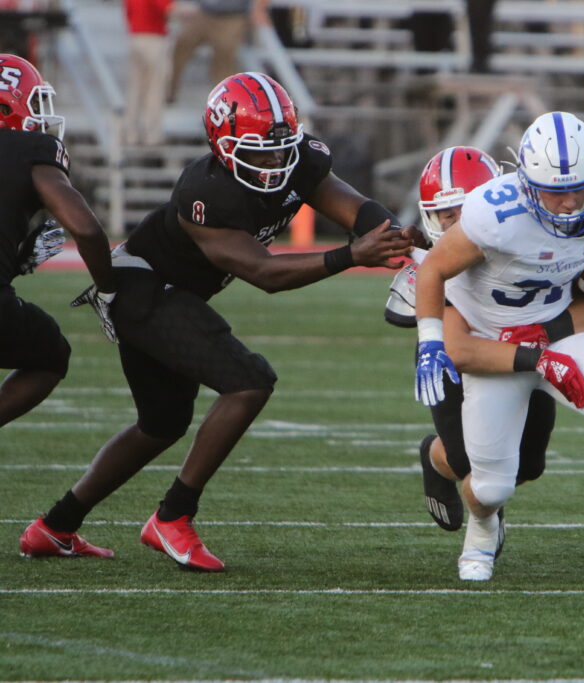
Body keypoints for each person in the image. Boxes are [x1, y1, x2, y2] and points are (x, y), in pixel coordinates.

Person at [19, 72, 414, 571]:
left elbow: (357, 209)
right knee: (249, 382)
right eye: (260, 154)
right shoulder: (204, 192)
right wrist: (351, 255)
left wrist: (403, 239)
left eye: (281, 151)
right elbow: (265, 273)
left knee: (161, 424)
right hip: (143, 288)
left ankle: (54, 527)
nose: (274, 163)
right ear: (223, 146)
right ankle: (173, 516)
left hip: (171, 294)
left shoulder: (302, 159)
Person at [414, 112, 584, 587]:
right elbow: (433, 269)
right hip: (494, 344)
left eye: (580, 189)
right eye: (554, 192)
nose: (568, 203)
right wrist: (429, 341)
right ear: (525, 183)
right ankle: (481, 532)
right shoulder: (493, 214)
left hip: (558, 329)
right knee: (492, 487)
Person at [386, 146, 584, 534]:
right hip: (454, 357)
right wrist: (537, 355)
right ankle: (437, 459)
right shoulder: (437, 269)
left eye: (465, 211)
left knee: (529, 466)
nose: (457, 224)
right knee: (465, 462)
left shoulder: (533, 238)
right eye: (447, 215)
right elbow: (456, 348)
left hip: (526, 349)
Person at [0, 54, 115, 435]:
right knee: (51, 354)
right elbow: (85, 229)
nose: (40, 116)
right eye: (35, 104)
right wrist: (108, 288)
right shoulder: (28, 148)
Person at [166, 0, 269, 103]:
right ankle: (168, 91)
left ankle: (225, 101)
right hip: (204, 12)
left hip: (232, 16)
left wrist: (258, 10)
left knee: (224, 57)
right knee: (181, 45)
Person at [124, 0, 174, 146]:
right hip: (153, 38)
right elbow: (167, 9)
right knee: (155, 88)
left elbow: (128, 13)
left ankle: (130, 132)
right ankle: (151, 134)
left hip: (135, 36)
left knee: (135, 89)